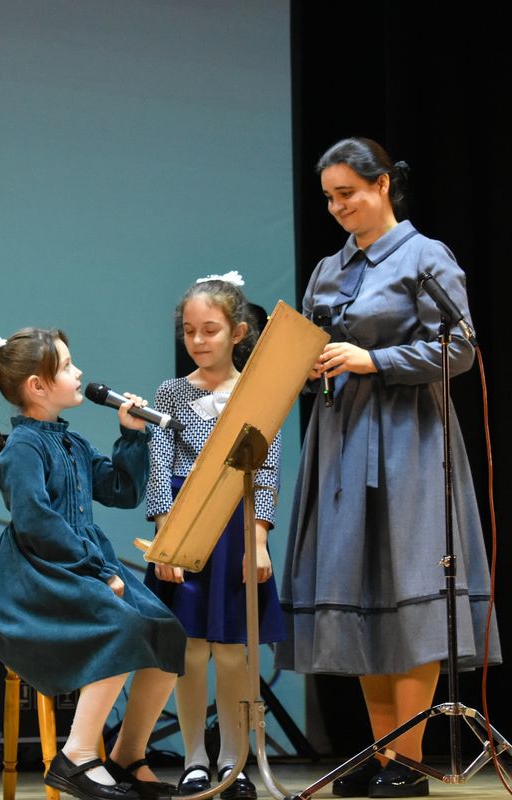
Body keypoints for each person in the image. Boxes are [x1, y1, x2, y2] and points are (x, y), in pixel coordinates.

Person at [277, 138, 500, 799]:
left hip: (408, 435)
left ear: (381, 186)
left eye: (348, 193)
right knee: (362, 594)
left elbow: (459, 351)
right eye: (329, 198)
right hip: (342, 434)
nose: (338, 207)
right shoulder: (328, 268)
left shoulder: (426, 257)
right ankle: (383, 757)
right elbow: (314, 344)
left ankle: (410, 759)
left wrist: (374, 361)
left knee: (409, 588)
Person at [0, 328, 187, 800]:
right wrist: (98, 568)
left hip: (81, 562)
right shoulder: (22, 448)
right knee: (122, 628)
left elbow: (123, 492)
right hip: (41, 571)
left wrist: (132, 437)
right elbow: (35, 523)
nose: (79, 372)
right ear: (37, 387)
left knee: (166, 631)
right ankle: (79, 756)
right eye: (67, 366)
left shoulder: (73, 444)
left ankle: (128, 754)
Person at [143, 273, 285, 800]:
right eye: (189, 331)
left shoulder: (255, 393)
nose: (199, 341)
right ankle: (194, 760)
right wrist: (167, 538)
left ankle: (235, 760)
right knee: (191, 651)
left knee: (231, 652)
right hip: (187, 526)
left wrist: (260, 538)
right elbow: (160, 467)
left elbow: (264, 469)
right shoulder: (171, 393)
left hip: (236, 528)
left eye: (210, 330)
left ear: (238, 332)